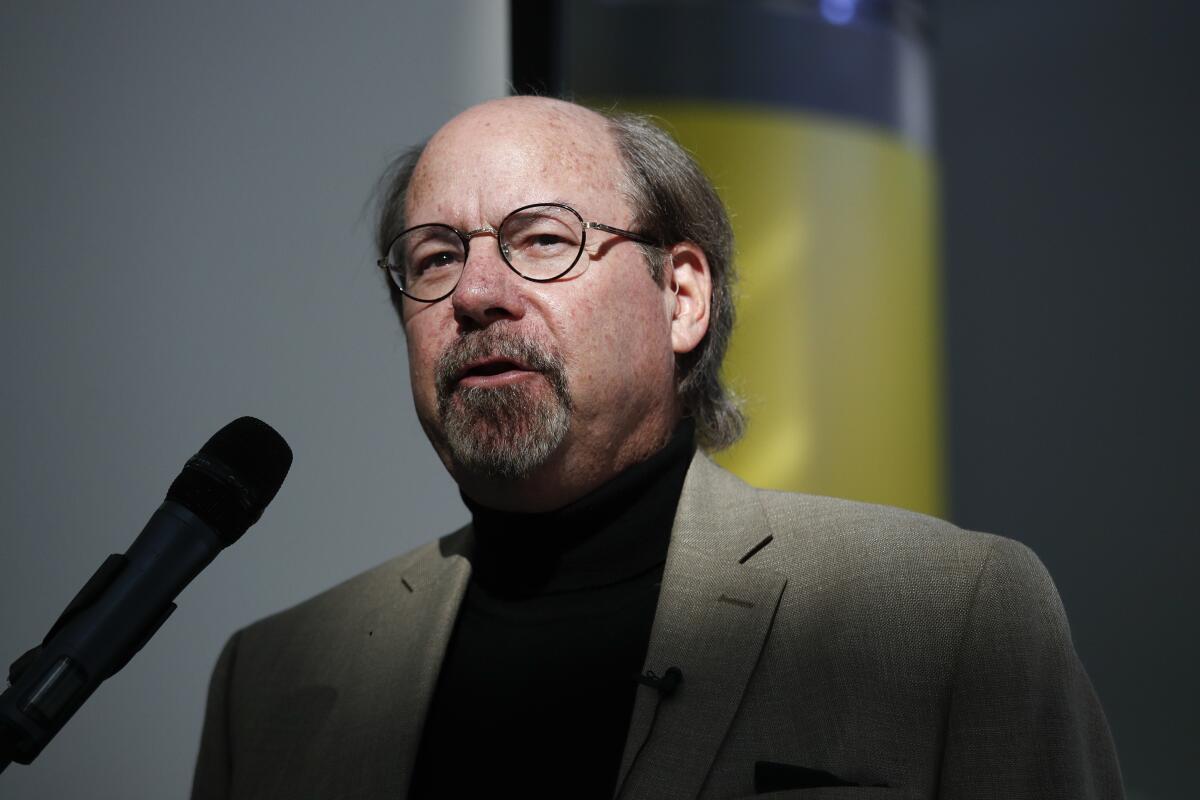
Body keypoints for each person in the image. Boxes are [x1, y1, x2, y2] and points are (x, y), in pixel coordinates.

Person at [191, 96, 1122, 799]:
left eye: (541, 238)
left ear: (680, 296)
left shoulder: (944, 618)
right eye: (434, 257)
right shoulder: (273, 683)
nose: (476, 292)